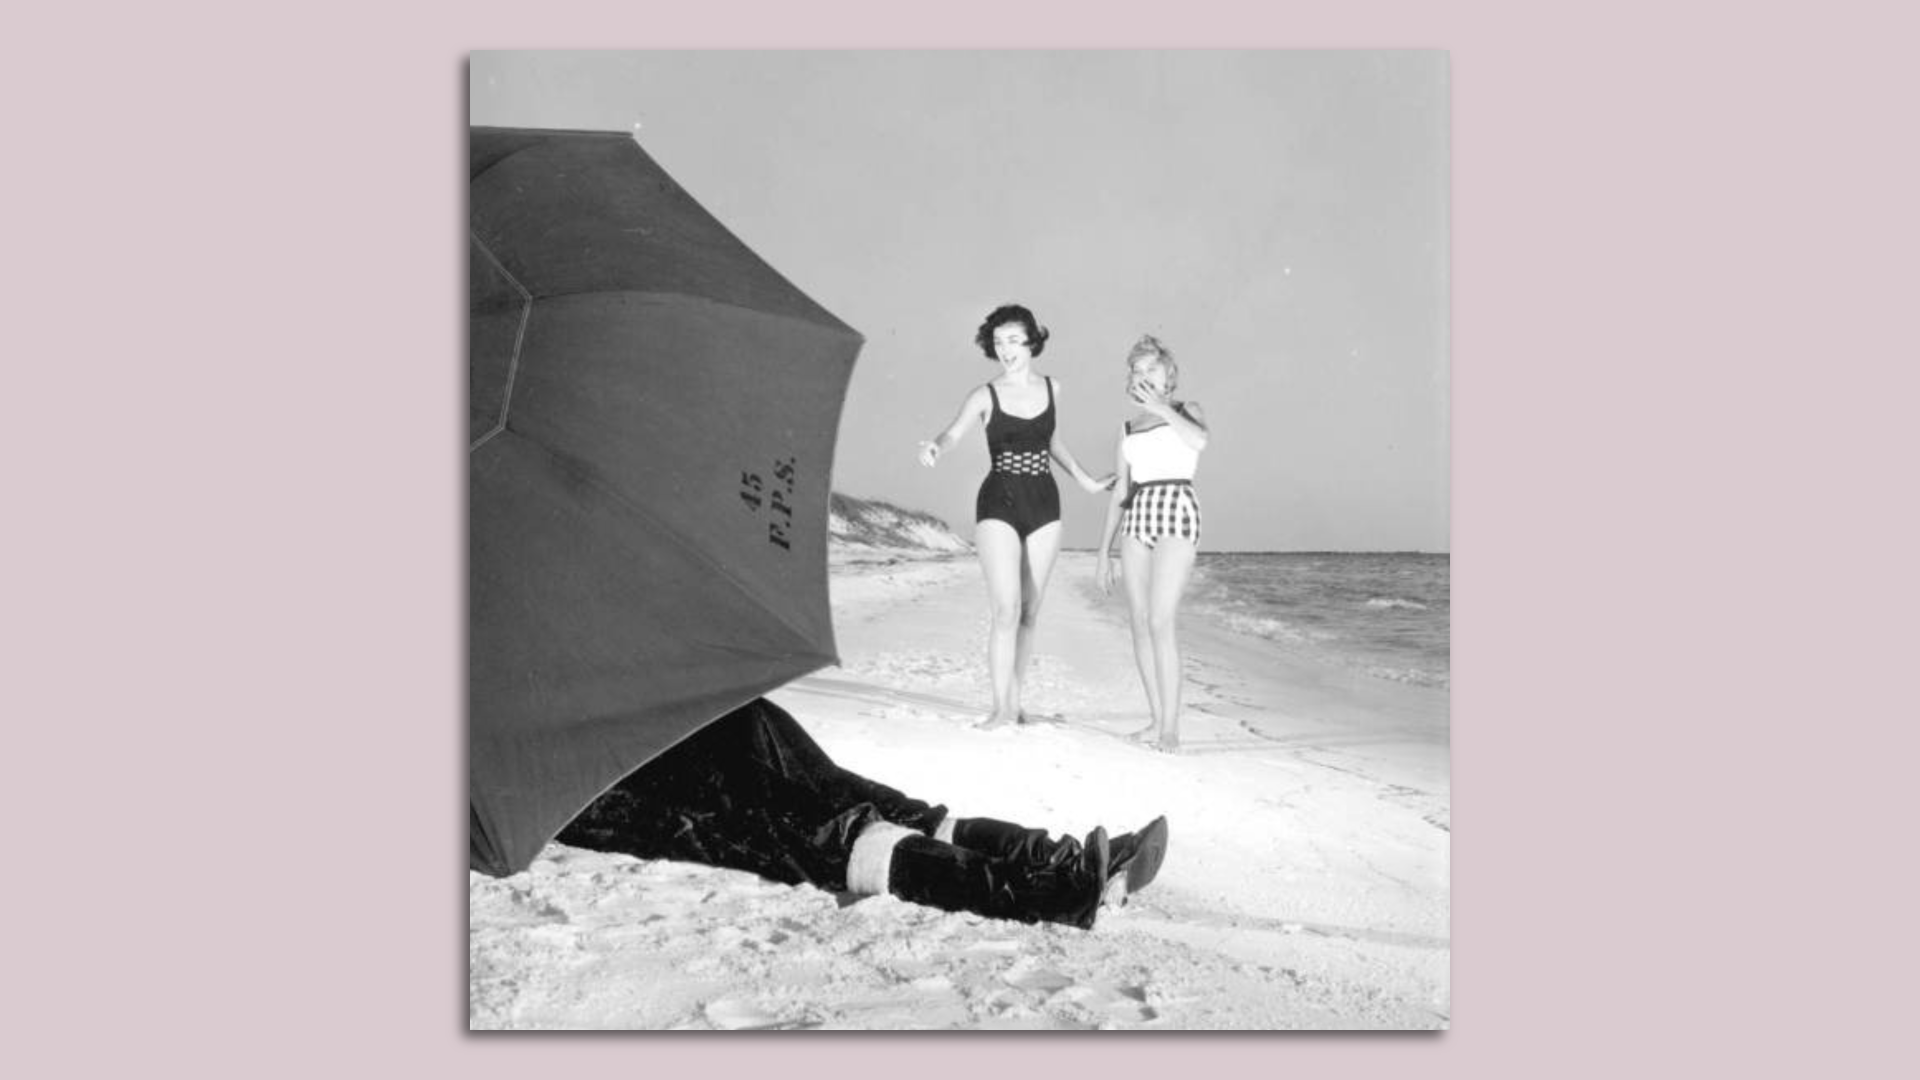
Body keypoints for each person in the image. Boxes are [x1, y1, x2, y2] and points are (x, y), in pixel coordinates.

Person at [558, 697, 1171, 929]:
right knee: (797, 830)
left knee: (751, 722)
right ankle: (1037, 891)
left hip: (589, 726)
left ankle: (1052, 855)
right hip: (562, 786)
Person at [917, 303, 1113, 728]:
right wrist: (936, 445)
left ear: (1032, 341)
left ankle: (1015, 703)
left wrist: (1086, 481)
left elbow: (1051, 440)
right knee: (1005, 610)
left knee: (1029, 612)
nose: (1005, 350)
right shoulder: (984, 394)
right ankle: (999, 707)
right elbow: (952, 432)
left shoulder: (1052, 388)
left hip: (1045, 503)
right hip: (998, 502)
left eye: (1013, 340)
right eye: (998, 341)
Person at [1094, 335, 1210, 752]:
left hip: (1176, 506)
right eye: (1137, 370)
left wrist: (1160, 407)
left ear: (1168, 374)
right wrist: (1103, 551)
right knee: (1140, 622)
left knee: (1162, 621)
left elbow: (1199, 442)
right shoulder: (1126, 428)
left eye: (1152, 369)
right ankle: (1156, 719)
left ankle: (1171, 731)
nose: (1144, 376)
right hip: (1138, 513)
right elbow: (1120, 491)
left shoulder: (1186, 411)